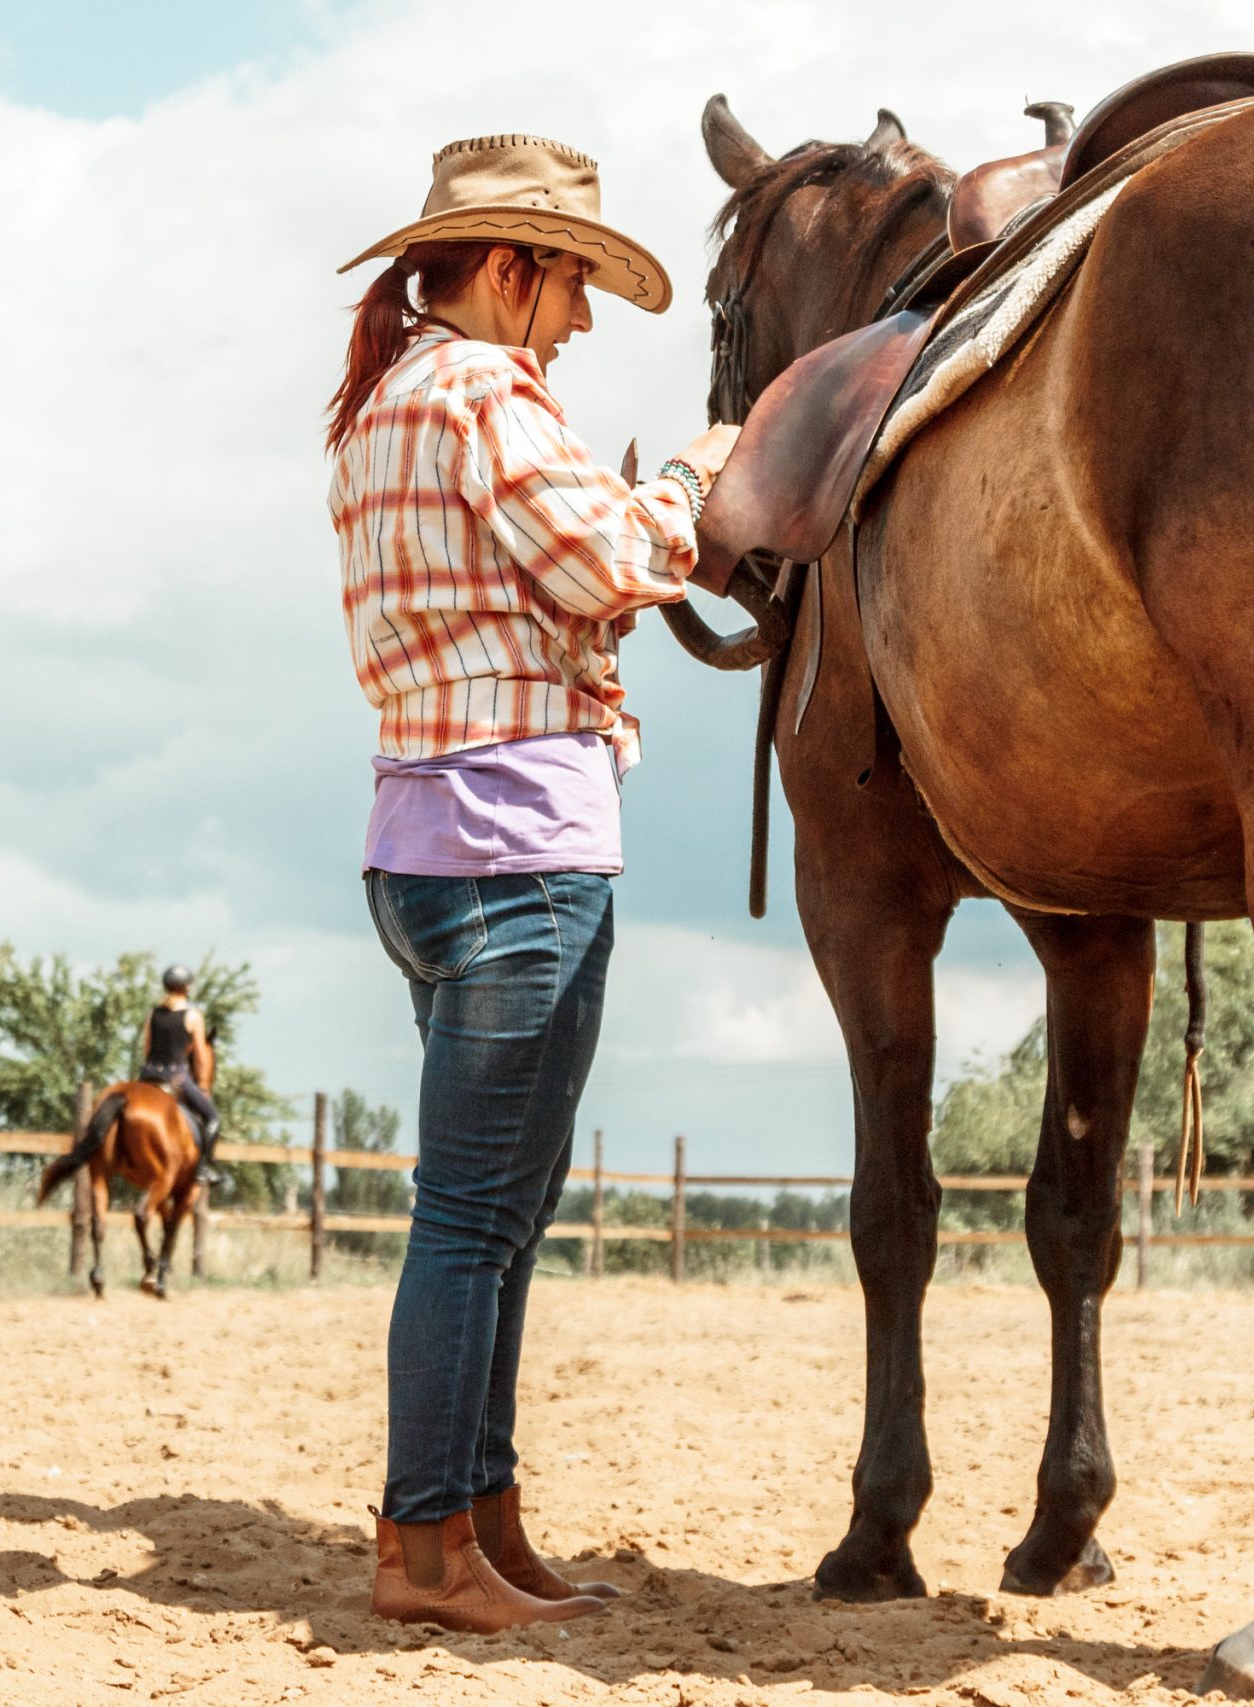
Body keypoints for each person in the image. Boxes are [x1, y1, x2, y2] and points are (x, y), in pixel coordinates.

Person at [326, 133, 737, 1633]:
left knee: (489, 1210)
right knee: (472, 1217)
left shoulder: (381, 407)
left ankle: (478, 1512)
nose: (575, 325)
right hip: (521, 846)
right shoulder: (487, 393)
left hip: (425, 838)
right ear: (510, 269)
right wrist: (696, 469)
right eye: (571, 288)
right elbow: (612, 561)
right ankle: (425, 1543)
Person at [139, 966, 220, 1183]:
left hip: (148, 1076)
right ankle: (204, 1167)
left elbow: (146, 1049)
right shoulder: (193, 1016)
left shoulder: (152, 1013)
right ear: (186, 987)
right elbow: (201, 1056)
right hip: (178, 1078)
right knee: (212, 1118)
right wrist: (203, 1087)